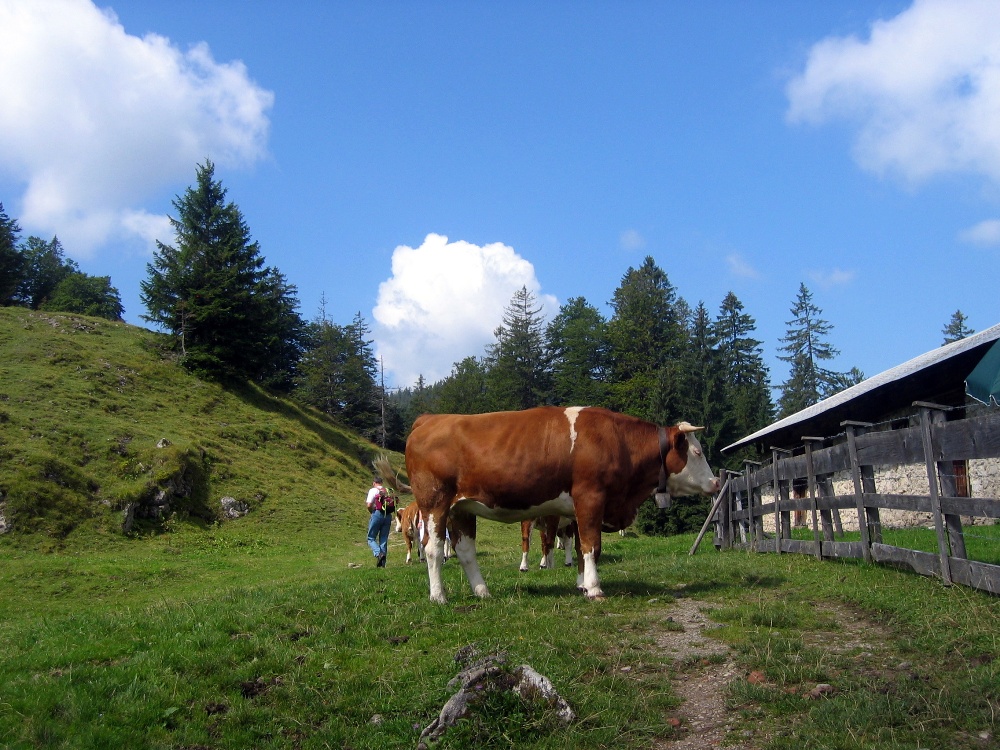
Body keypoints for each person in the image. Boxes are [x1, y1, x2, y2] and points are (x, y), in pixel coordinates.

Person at [366, 476, 394, 567]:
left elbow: (369, 504)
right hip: (388, 515)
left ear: (374, 483)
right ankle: (382, 564)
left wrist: (371, 512)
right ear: (381, 483)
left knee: (371, 538)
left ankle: (379, 554)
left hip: (377, 514)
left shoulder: (373, 490)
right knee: (383, 538)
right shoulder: (387, 490)